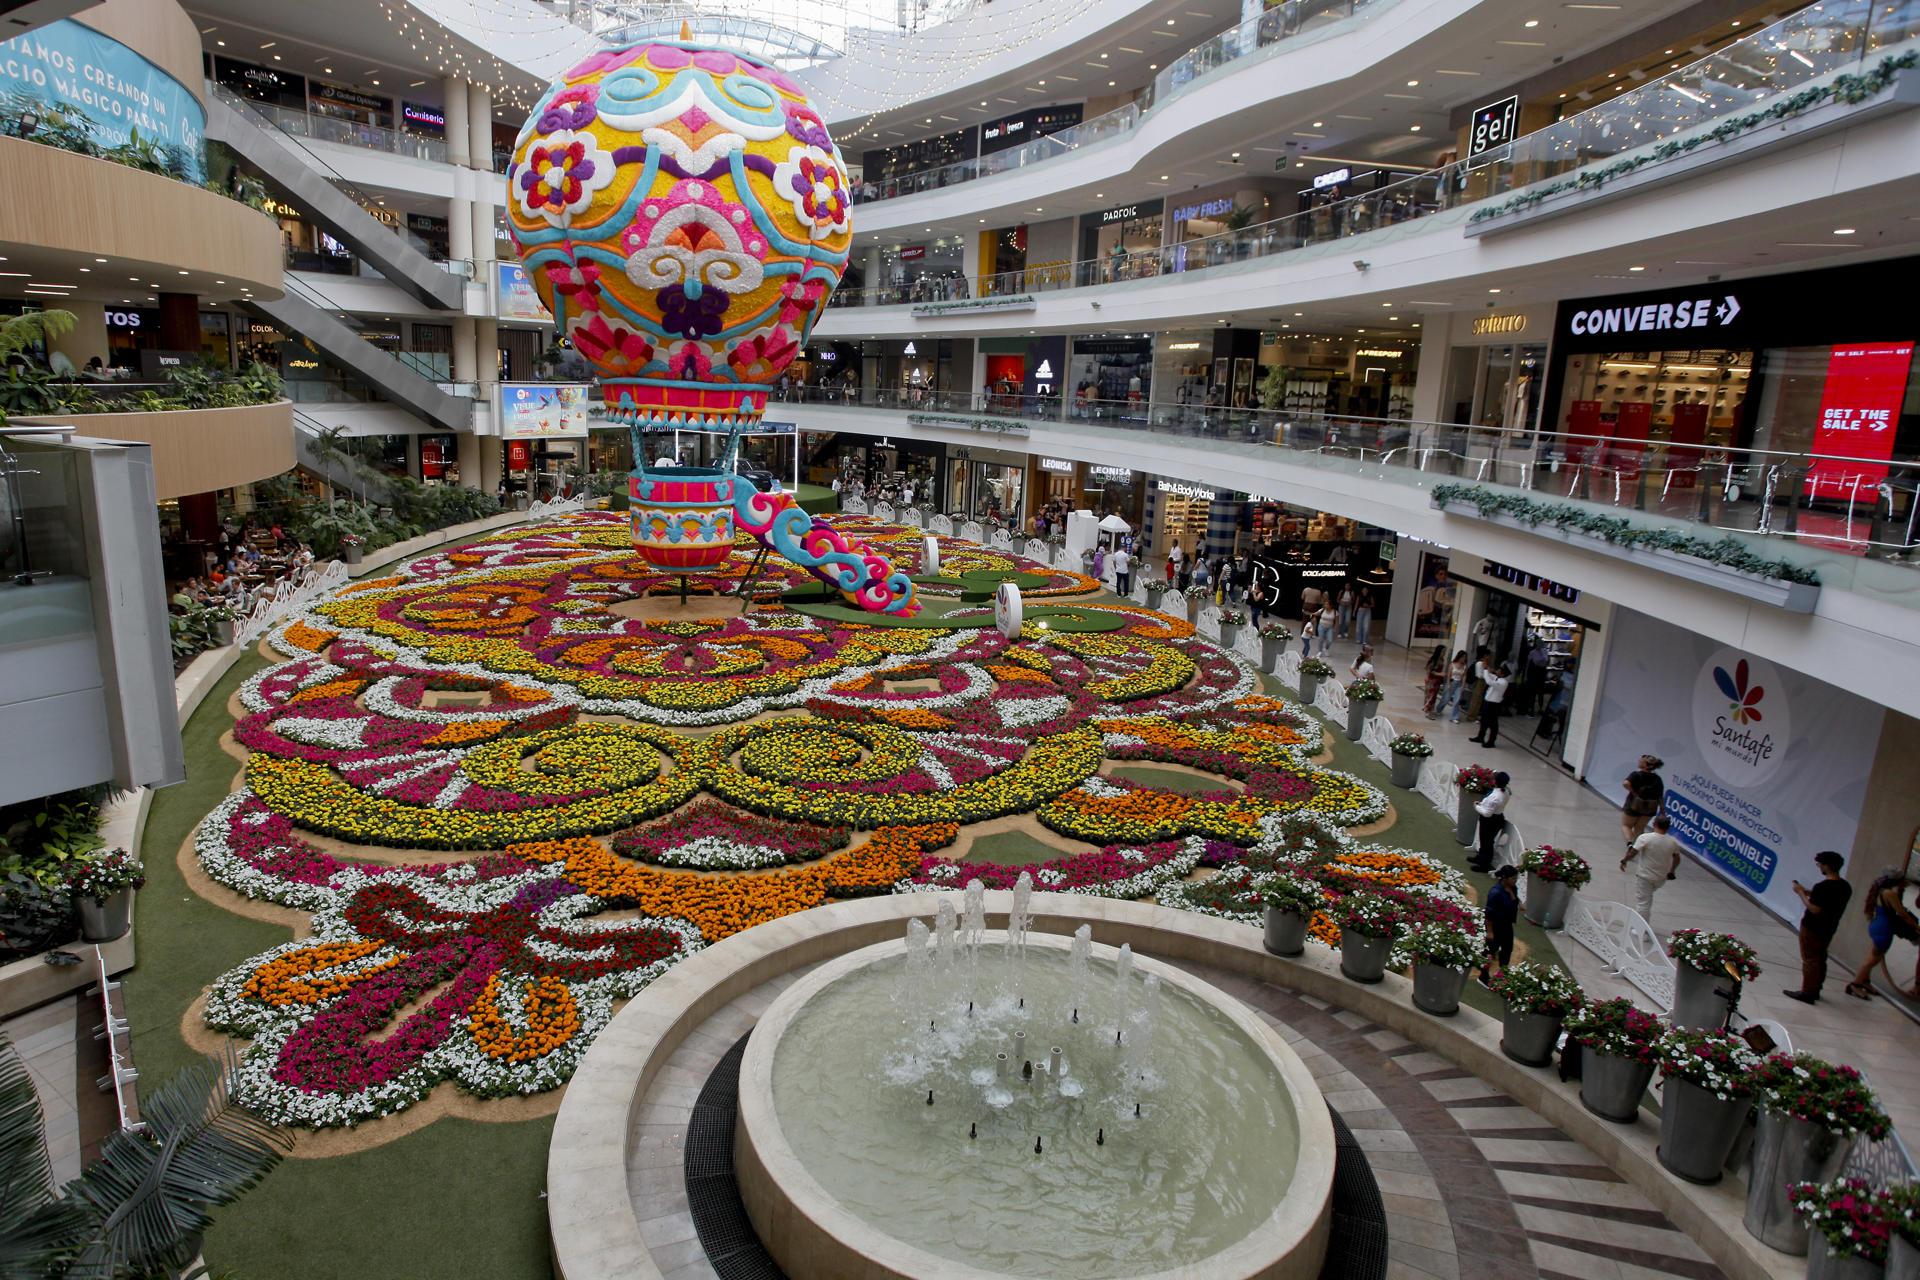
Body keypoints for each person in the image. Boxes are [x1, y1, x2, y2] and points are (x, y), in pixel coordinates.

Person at [1784, 851, 1853, 1004]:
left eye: (1820, 864)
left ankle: (1807, 991)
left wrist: (1800, 892)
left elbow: (1814, 908)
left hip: (1813, 927)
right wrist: (1807, 891)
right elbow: (1825, 900)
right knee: (1820, 957)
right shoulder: (1845, 886)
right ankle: (1816, 988)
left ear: (1826, 866)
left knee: (1810, 959)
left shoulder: (1823, 887)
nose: (1819, 867)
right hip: (1829, 927)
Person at [1846, 871, 1920, 999]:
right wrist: (1916, 926)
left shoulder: (1880, 890)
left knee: (1872, 955)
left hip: (1877, 924)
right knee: (1873, 959)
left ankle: (1865, 981)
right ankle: (1855, 984)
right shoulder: (1889, 893)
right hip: (1884, 929)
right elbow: (1902, 913)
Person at [1620, 814, 1683, 926]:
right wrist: (1672, 871)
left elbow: (1633, 852)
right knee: (1647, 899)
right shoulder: (1673, 842)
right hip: (1661, 878)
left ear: (1654, 824)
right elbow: (1677, 858)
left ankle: (1641, 929)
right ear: (1668, 827)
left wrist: (1624, 860)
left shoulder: (1645, 838)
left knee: (1643, 903)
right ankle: (1642, 923)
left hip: (1645, 876)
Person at [1477, 865, 1520, 985]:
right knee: (1490, 951)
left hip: (1506, 924)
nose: (1515, 881)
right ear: (1504, 878)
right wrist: (1489, 931)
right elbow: (1489, 913)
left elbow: (1514, 902)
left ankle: (1503, 973)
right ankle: (1483, 976)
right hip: (1495, 925)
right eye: (1513, 878)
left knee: (1507, 949)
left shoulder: (1513, 888)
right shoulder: (1495, 893)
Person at [1620, 755, 1666, 852]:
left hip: (1633, 805)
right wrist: (1662, 810)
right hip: (1649, 808)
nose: (1639, 761)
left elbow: (1626, 783)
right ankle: (1637, 847)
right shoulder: (1657, 779)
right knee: (1640, 828)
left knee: (1626, 825)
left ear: (1645, 765)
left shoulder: (1636, 775)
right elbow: (1660, 796)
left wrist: (1633, 792)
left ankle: (1630, 843)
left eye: (1641, 761)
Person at [1469, 771, 1511, 873]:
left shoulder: (1496, 797)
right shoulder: (1505, 791)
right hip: (1496, 818)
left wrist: (1477, 806)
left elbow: (1487, 813)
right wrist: (1482, 804)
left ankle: (1484, 865)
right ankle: (1480, 857)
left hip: (1490, 821)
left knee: (1487, 842)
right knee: (1484, 840)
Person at [1472, 663, 1511, 747]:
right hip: (1488, 702)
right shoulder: (1497, 678)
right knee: (1483, 721)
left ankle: (1491, 741)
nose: (1497, 671)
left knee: (1493, 724)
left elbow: (1489, 681)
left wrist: (1486, 670)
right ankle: (1480, 737)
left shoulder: (1503, 682)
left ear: (1502, 674)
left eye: (1499, 671)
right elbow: (1489, 675)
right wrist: (1487, 669)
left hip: (1494, 704)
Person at [1431, 649, 1470, 722]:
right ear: (1459, 657)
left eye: (1465, 657)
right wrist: (1448, 684)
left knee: (1457, 701)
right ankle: (1438, 709)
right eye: (1462, 657)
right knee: (1446, 699)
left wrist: (1463, 686)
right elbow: (1449, 675)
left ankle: (1454, 717)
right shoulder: (1452, 664)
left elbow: (1464, 676)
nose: (1463, 659)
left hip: (1459, 684)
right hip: (1451, 682)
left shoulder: (1465, 666)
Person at [1421, 644, 1447, 715]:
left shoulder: (1442, 659)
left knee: (1434, 695)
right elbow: (1429, 670)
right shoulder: (1433, 659)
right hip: (1431, 680)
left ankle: (1429, 708)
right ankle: (1427, 707)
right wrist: (1439, 674)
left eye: (1444, 652)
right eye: (1443, 652)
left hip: (1437, 681)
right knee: (1430, 695)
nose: (1444, 653)